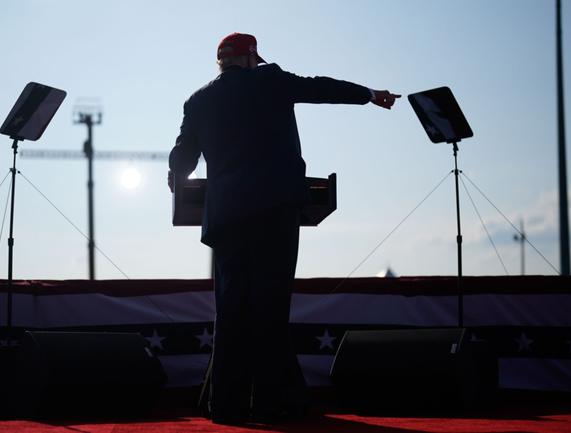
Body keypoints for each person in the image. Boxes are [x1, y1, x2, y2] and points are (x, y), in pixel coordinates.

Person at [168, 32, 400, 425]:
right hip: (273, 211)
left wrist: (176, 178)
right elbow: (320, 88)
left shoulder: (199, 100)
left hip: (225, 219)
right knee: (270, 310)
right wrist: (369, 94)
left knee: (231, 314)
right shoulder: (270, 80)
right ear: (250, 57)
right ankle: (273, 405)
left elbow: (182, 157)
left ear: (221, 62)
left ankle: (226, 406)